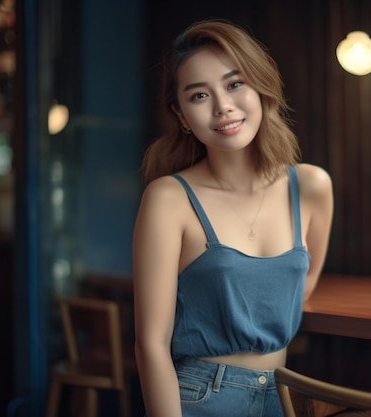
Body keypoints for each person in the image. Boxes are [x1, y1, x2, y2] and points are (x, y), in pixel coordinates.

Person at [132, 18, 334, 417]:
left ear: (260, 88)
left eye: (234, 84)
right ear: (182, 115)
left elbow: (304, 285)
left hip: (285, 394)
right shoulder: (169, 199)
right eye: (199, 95)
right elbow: (151, 344)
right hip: (203, 397)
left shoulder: (311, 186)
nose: (223, 105)